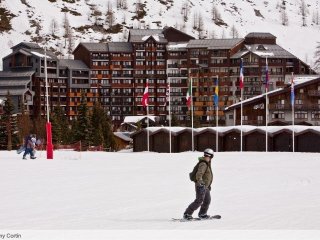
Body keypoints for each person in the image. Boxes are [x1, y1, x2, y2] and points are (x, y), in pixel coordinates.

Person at [183, 148, 214, 220]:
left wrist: (208, 185)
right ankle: (187, 214)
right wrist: (201, 183)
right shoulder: (203, 164)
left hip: (205, 186)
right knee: (199, 201)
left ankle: (202, 214)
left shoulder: (206, 163)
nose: (208, 158)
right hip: (201, 186)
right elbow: (199, 175)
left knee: (207, 200)